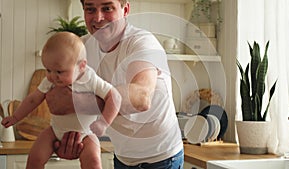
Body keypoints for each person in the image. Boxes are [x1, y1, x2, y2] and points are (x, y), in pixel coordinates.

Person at [47, 0, 184, 168]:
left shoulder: (142, 42)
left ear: (125, 9)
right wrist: (66, 137)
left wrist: (80, 103)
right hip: (122, 156)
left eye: (107, 8)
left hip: (162, 157)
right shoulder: (81, 49)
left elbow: (141, 97)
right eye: (90, 9)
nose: (98, 18)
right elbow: (56, 97)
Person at [1, 32, 121, 169]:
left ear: (81, 66)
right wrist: (15, 117)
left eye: (59, 72)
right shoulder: (50, 81)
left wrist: (103, 123)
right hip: (55, 131)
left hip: (86, 134)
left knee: (94, 161)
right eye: (48, 70)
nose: (52, 76)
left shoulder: (90, 79)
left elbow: (114, 97)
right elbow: (33, 99)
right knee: (35, 158)